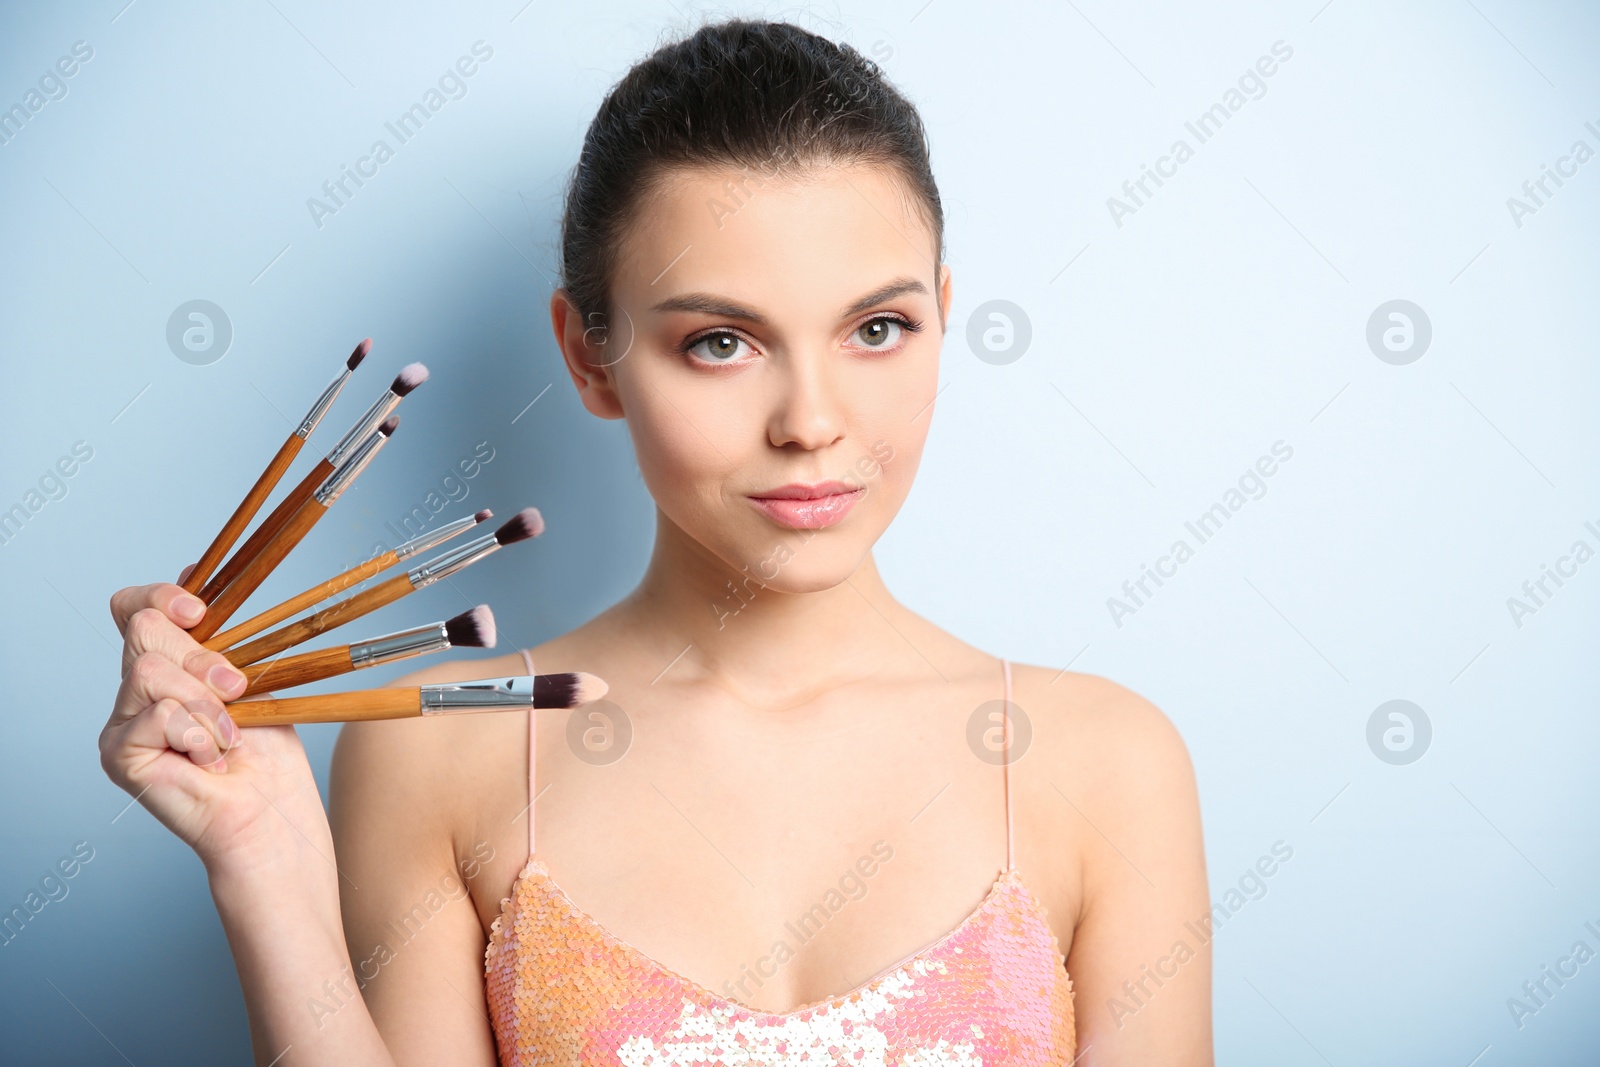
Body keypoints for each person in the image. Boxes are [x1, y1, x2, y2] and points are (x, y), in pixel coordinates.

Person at [100, 17, 1211, 1066]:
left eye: (878, 328)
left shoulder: (1104, 764)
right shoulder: (433, 752)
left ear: (941, 313)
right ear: (589, 356)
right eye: (721, 341)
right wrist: (267, 863)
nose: (811, 421)